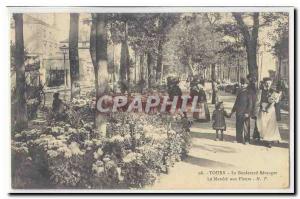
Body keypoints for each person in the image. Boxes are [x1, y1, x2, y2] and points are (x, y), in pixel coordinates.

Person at [254, 78, 281, 148]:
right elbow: (257, 101)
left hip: (271, 110)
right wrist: (259, 108)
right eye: (266, 83)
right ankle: (263, 138)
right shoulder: (260, 91)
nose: (267, 84)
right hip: (262, 109)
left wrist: (276, 99)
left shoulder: (273, 91)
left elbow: (276, 101)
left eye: (269, 83)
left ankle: (269, 140)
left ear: (271, 83)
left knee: (271, 125)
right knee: (262, 124)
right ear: (264, 83)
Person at [231, 78, 253, 144]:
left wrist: (247, 112)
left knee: (246, 127)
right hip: (239, 112)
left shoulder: (249, 93)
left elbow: (250, 104)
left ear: (247, 84)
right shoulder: (239, 92)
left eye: (244, 84)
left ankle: (247, 140)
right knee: (238, 126)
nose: (243, 85)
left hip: (245, 113)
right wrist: (233, 111)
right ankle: (239, 139)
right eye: (242, 83)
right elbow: (236, 102)